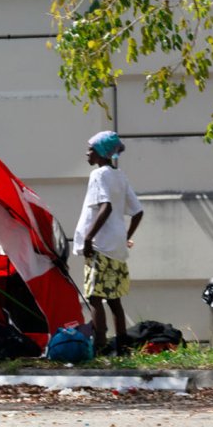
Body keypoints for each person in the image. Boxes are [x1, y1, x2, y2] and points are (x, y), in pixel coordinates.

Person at [73, 131, 144, 355]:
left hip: (100, 246)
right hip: (117, 248)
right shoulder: (119, 176)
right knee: (114, 299)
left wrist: (88, 238)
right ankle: (122, 346)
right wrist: (125, 236)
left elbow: (106, 207)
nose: (87, 153)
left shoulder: (99, 175)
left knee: (94, 297)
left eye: (91, 149)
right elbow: (138, 211)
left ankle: (100, 345)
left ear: (102, 152)